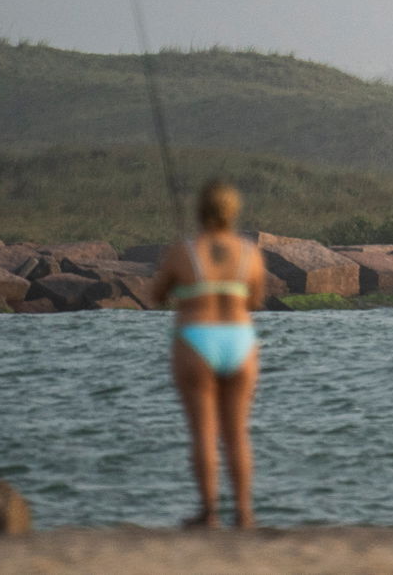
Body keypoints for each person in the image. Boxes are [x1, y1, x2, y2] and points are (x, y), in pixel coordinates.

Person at [149, 180, 264, 529]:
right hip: (240, 341)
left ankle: (209, 513)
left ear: (200, 210)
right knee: (237, 433)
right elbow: (255, 300)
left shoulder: (183, 250)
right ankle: (244, 513)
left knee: (203, 431)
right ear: (233, 211)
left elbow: (156, 296)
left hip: (196, 340)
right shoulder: (250, 252)